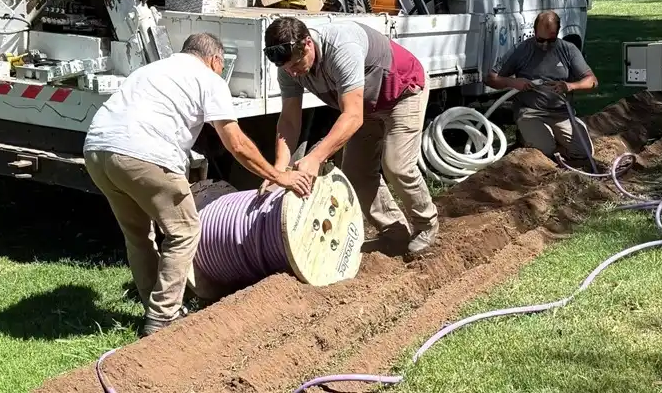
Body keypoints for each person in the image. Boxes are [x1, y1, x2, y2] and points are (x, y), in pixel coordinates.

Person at [84, 33, 312, 335]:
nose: (220, 72)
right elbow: (236, 143)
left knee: (138, 236)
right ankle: (163, 318)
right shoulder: (208, 79)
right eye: (221, 67)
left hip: (97, 150)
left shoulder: (150, 70)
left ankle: (153, 309)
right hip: (144, 154)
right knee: (185, 232)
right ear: (215, 60)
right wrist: (277, 175)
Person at [263, 17, 439, 255]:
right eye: (286, 69)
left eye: (296, 64)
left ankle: (426, 225)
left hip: (401, 92)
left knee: (397, 165)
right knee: (356, 173)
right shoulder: (288, 68)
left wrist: (315, 158)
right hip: (365, 105)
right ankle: (394, 232)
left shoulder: (341, 48)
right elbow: (289, 120)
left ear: (308, 43)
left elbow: (353, 116)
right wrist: (278, 171)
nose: (293, 73)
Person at [484, 11, 598, 162]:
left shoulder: (568, 50)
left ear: (558, 31)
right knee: (545, 150)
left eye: (550, 41)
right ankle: (530, 139)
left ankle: (552, 143)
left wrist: (569, 86)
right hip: (530, 112)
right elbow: (490, 79)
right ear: (534, 31)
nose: (544, 45)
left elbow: (592, 81)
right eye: (540, 40)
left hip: (561, 114)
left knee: (584, 151)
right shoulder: (521, 50)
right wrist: (513, 82)